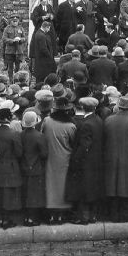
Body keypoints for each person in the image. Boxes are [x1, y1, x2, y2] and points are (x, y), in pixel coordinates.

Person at [103, 96, 128, 222]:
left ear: (119, 106)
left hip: (110, 159)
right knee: (126, 187)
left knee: (112, 186)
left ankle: (113, 215)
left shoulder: (108, 120)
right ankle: (125, 215)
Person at [65, 97, 104, 224]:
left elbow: (84, 145)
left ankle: (83, 217)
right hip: (97, 160)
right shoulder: (98, 120)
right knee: (93, 188)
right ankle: (93, 216)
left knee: (83, 190)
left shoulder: (86, 124)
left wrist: (75, 159)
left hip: (86, 162)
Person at [42, 96, 76, 224]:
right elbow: (73, 143)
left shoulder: (47, 121)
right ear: (67, 111)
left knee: (50, 185)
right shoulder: (71, 126)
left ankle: (51, 215)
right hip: (65, 159)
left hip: (50, 158)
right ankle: (61, 215)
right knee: (62, 186)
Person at [0, 107, 23, 229]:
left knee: (1, 192)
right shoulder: (14, 134)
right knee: (9, 193)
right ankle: (7, 219)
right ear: (9, 118)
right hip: (11, 165)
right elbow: (19, 152)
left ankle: (3, 217)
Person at [20, 111, 47, 226]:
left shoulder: (20, 135)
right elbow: (44, 154)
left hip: (23, 167)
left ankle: (26, 217)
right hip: (36, 167)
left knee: (26, 193)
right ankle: (33, 218)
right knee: (35, 194)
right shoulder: (39, 136)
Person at [0, 14, 26, 84]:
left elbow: (24, 38)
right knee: (10, 68)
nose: (15, 22)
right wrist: (12, 40)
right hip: (9, 51)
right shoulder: (7, 29)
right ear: (11, 21)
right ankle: (11, 80)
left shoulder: (21, 28)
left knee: (17, 67)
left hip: (19, 51)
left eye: (16, 21)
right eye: (13, 21)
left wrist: (20, 39)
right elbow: (4, 39)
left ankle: (16, 79)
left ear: (18, 21)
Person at [30, 20, 56, 85]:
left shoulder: (39, 33)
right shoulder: (41, 35)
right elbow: (43, 49)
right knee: (42, 77)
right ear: (46, 27)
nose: (49, 30)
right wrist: (50, 56)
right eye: (49, 28)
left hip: (41, 60)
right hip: (43, 61)